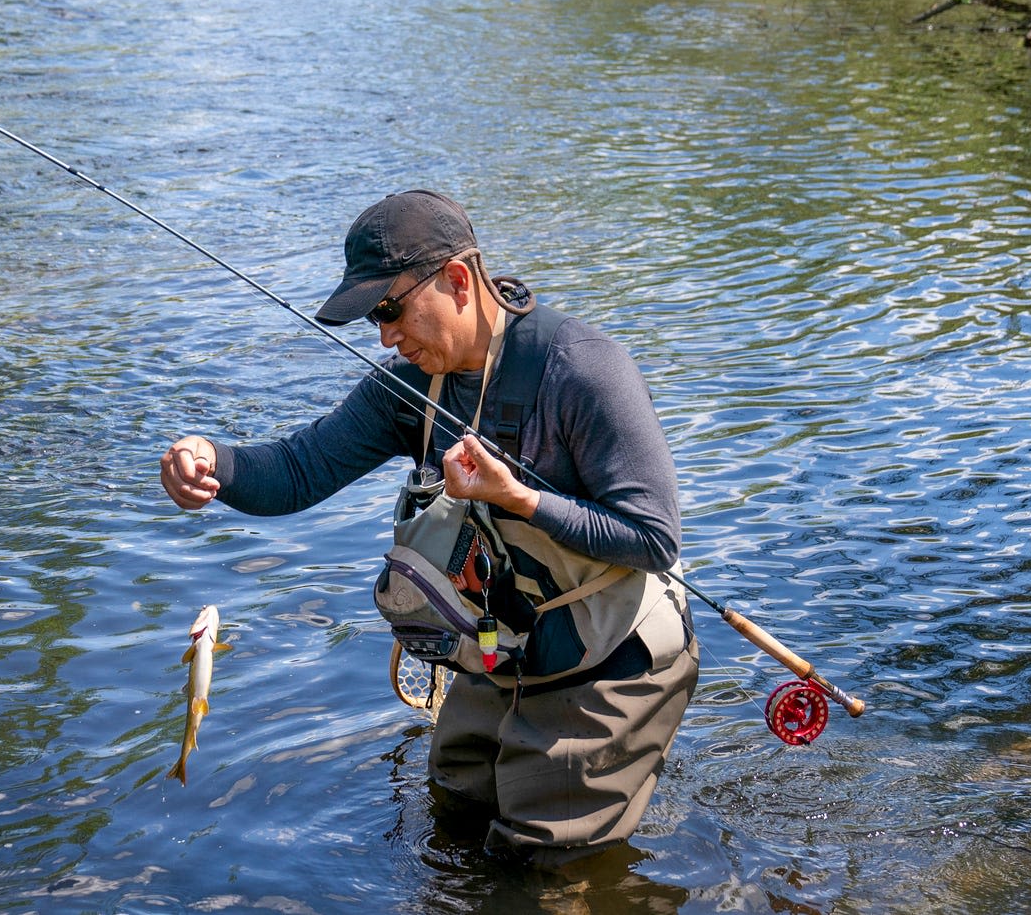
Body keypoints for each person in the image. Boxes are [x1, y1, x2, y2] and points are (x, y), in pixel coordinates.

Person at [159, 189, 697, 856]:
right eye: (371, 319)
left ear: (458, 280)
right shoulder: (409, 386)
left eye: (390, 309)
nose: (384, 334)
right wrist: (209, 459)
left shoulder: (582, 370)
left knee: (535, 866)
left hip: (612, 658)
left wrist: (521, 498)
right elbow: (297, 470)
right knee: (455, 818)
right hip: (502, 648)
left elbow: (653, 537)